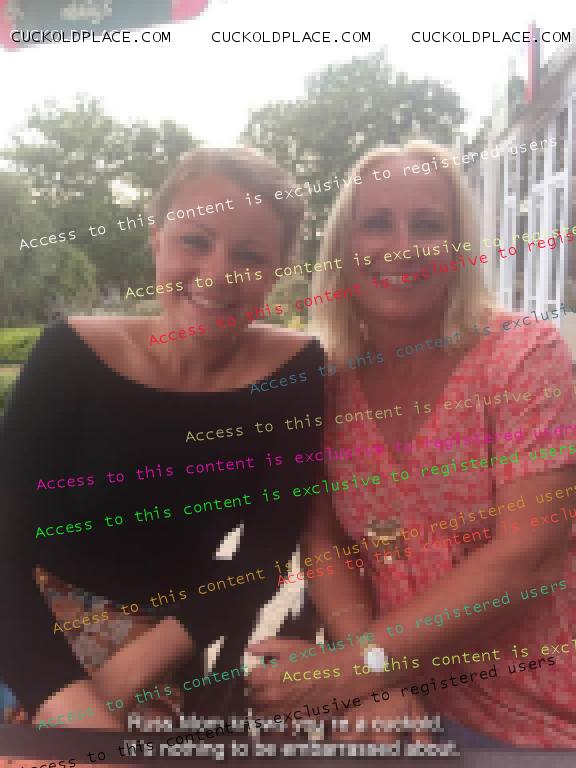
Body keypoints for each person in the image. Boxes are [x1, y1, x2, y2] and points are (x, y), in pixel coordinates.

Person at [248, 140, 576, 748]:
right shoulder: (326, 380)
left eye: (428, 224)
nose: (403, 246)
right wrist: (371, 680)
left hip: (545, 713)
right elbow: (324, 539)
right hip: (400, 698)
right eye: (377, 223)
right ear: (343, 248)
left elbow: (529, 558)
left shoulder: (524, 356)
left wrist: (350, 670)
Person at [0, 147, 326, 743]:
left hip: (162, 638)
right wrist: (72, 708)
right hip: (25, 620)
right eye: (195, 241)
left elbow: (264, 554)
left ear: (277, 271)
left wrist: (123, 678)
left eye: (250, 255)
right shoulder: (70, 356)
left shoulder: (294, 371)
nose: (217, 273)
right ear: (156, 241)